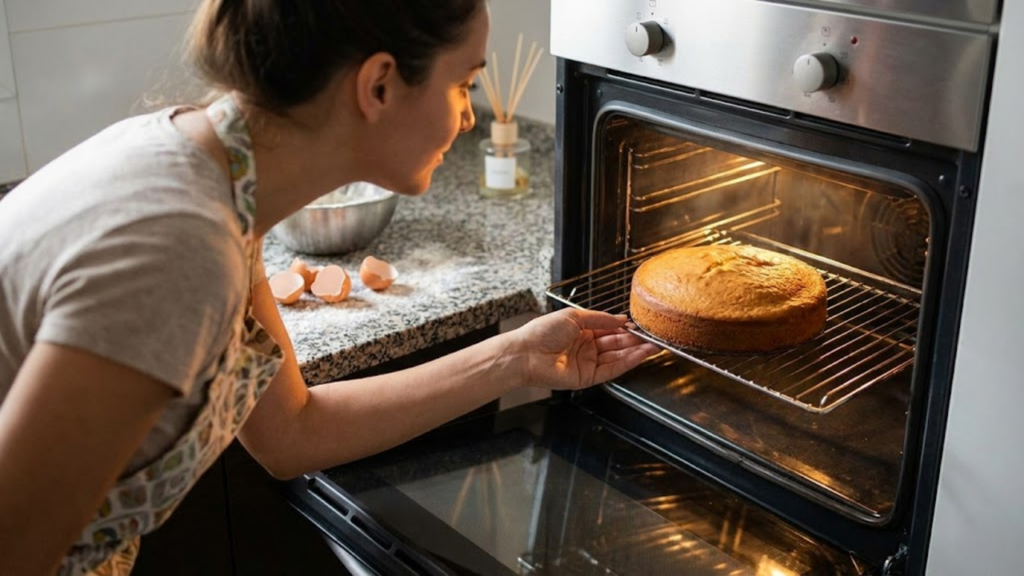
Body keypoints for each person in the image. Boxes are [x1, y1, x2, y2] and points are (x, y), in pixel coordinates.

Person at [0, 1, 659, 574]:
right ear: (378, 86)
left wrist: (515, 357)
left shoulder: (216, 177)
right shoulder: (180, 245)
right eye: (464, 84)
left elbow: (291, 433)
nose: (466, 118)